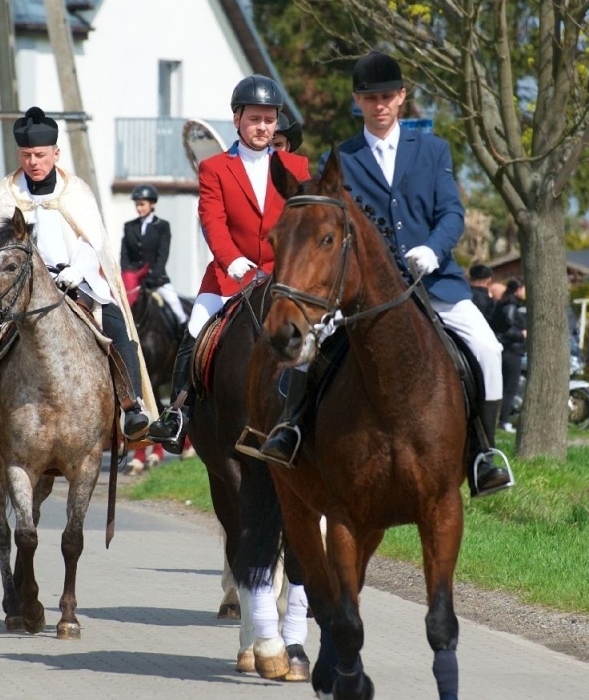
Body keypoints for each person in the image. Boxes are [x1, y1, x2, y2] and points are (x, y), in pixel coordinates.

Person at [253, 51, 512, 496]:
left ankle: (483, 454)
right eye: (371, 98)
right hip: (367, 292)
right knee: (308, 352)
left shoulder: (432, 150)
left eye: (388, 96)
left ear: (402, 97)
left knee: (488, 348)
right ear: (358, 101)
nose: (380, 105)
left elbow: (451, 211)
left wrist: (433, 249)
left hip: (434, 283)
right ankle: (291, 428)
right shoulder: (344, 160)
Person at [0, 107, 152, 441]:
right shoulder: (6, 194)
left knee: (115, 321)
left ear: (55, 153)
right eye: (26, 155)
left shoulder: (76, 191)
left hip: (72, 279)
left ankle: (131, 407)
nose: (33, 162)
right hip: (17, 284)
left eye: (40, 155)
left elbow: (95, 242)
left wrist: (79, 269)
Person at [147, 76, 311, 445]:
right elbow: (212, 220)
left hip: (282, 275)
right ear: (237, 119)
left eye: (270, 120)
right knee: (195, 327)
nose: (263, 127)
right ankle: (178, 412)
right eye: (255, 119)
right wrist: (232, 260)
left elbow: (304, 224)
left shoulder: (296, 167)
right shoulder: (215, 168)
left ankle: (309, 416)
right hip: (229, 276)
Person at [119, 184, 183, 322]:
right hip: (133, 282)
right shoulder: (129, 226)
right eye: (136, 205)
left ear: (152, 204)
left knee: (176, 306)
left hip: (156, 280)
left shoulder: (162, 226)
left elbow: (162, 255)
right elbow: (124, 255)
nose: (138, 208)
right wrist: (127, 274)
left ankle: (186, 339)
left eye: (142, 204)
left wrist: (154, 276)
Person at [489, 277, 527, 431]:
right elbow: (505, 329)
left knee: (504, 387)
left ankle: (501, 419)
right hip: (512, 351)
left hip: (508, 350)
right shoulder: (510, 307)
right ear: (518, 290)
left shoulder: (505, 304)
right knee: (510, 388)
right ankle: (504, 421)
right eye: (524, 289)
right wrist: (522, 335)